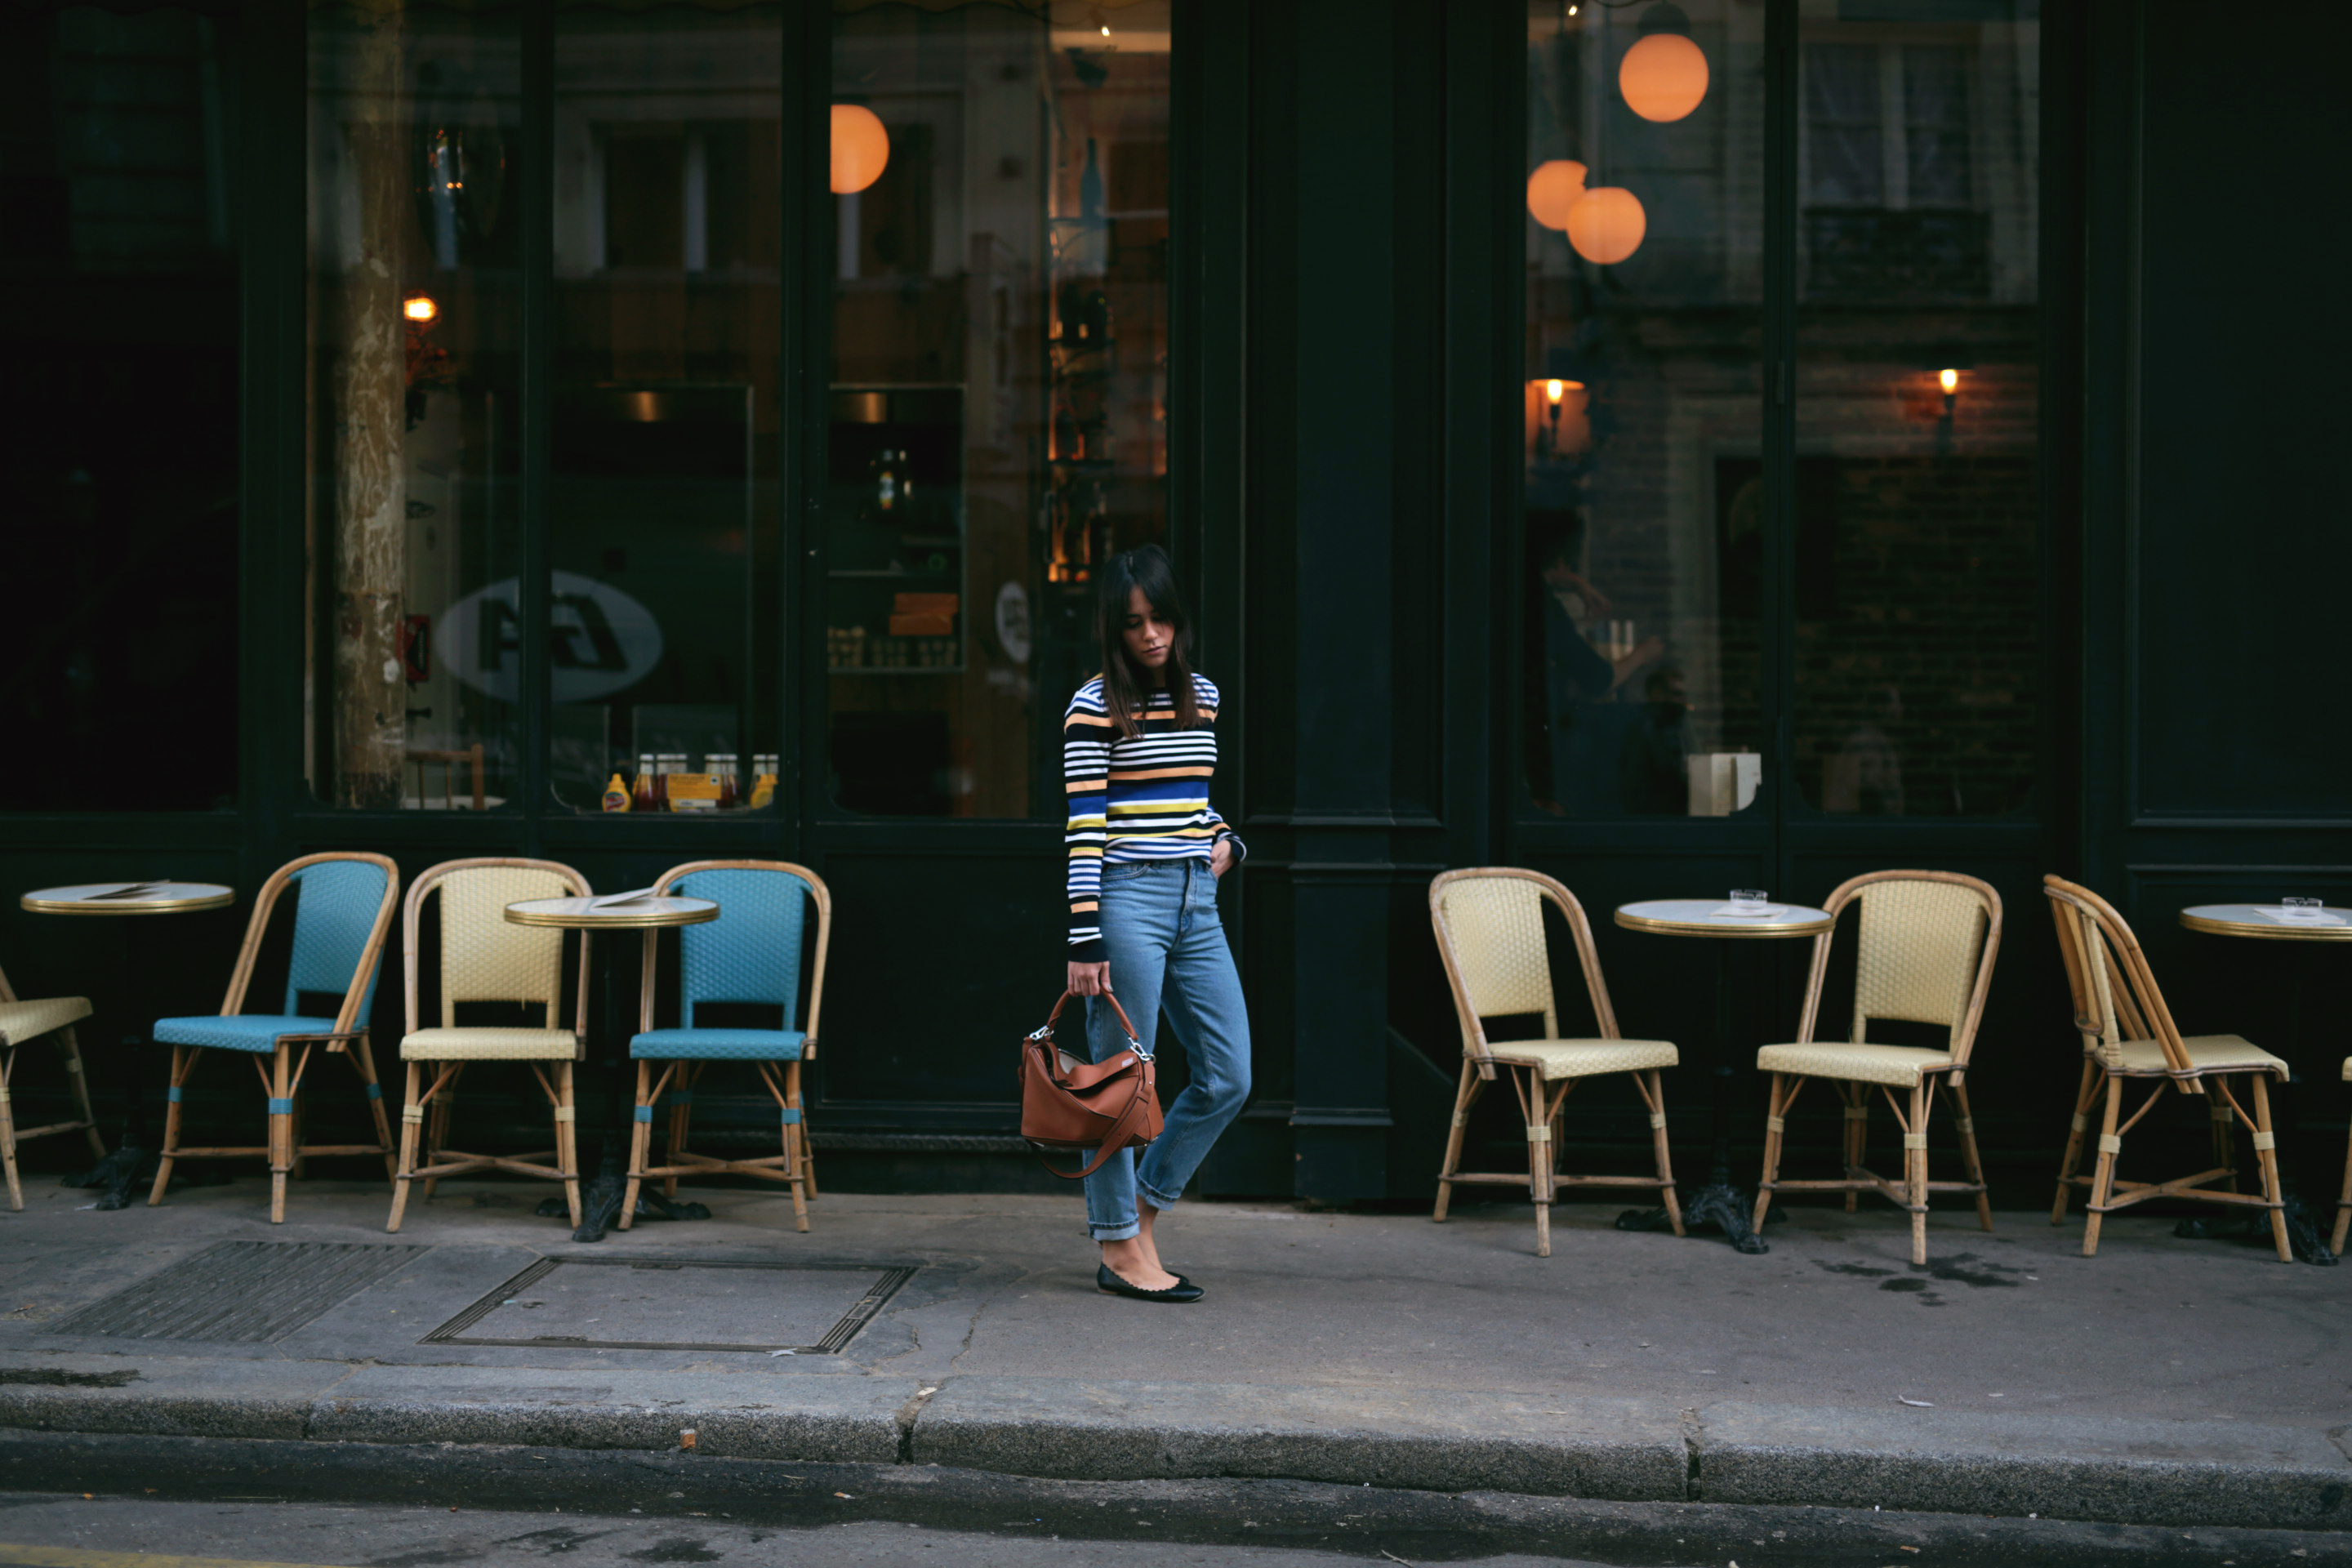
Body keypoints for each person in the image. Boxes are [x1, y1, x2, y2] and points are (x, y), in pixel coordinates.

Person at [1062, 545, 1250, 1303]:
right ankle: (1119, 1247)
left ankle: (1139, 1209)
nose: (1151, 635)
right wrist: (1084, 937)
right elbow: (1083, 828)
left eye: (1162, 618)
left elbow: (1190, 798)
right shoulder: (1092, 705)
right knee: (1119, 1084)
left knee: (1230, 1074)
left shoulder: (1201, 695)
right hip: (1125, 897)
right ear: (1114, 625)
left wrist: (1228, 840)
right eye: (1135, 622)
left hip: (1194, 900)